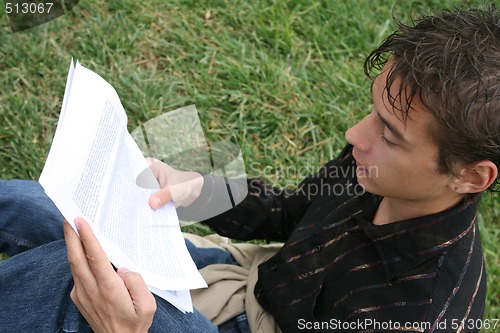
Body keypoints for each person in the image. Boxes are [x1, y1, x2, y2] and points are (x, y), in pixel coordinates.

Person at [1, 4, 499, 333]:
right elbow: (288, 212)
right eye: (373, 112)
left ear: (471, 176)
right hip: (247, 279)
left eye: (390, 134)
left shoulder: (428, 313)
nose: (356, 135)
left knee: (73, 274)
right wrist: (196, 190)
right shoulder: (370, 164)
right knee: (42, 208)